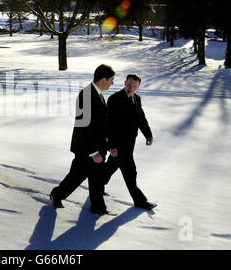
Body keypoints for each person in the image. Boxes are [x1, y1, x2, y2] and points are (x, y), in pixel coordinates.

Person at [50, 64, 115, 215]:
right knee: (76, 176)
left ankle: (98, 208)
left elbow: (101, 123)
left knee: (97, 179)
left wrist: (107, 145)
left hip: (98, 147)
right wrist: (92, 152)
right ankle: (57, 194)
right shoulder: (86, 95)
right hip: (86, 149)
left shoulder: (97, 93)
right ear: (103, 79)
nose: (112, 83)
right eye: (111, 79)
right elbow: (83, 126)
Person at [104, 74, 157, 211]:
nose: (131, 88)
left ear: (138, 86)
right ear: (124, 82)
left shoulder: (137, 99)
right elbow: (109, 125)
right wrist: (111, 146)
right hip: (118, 144)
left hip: (130, 143)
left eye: (134, 86)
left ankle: (97, 186)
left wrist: (148, 135)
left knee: (111, 166)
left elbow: (141, 119)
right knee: (130, 172)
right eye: (129, 84)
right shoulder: (115, 99)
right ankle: (140, 201)